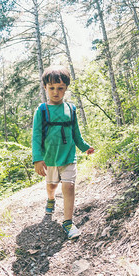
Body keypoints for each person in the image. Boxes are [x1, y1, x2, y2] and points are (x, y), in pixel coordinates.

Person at [32, 65, 94, 239]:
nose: (56, 92)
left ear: (66, 88)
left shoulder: (71, 109)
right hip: (50, 158)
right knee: (52, 186)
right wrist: (37, 159)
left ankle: (68, 222)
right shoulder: (41, 111)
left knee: (69, 186)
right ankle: (51, 198)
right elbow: (36, 136)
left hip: (68, 156)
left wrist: (84, 147)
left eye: (60, 88)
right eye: (51, 88)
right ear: (45, 88)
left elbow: (76, 134)